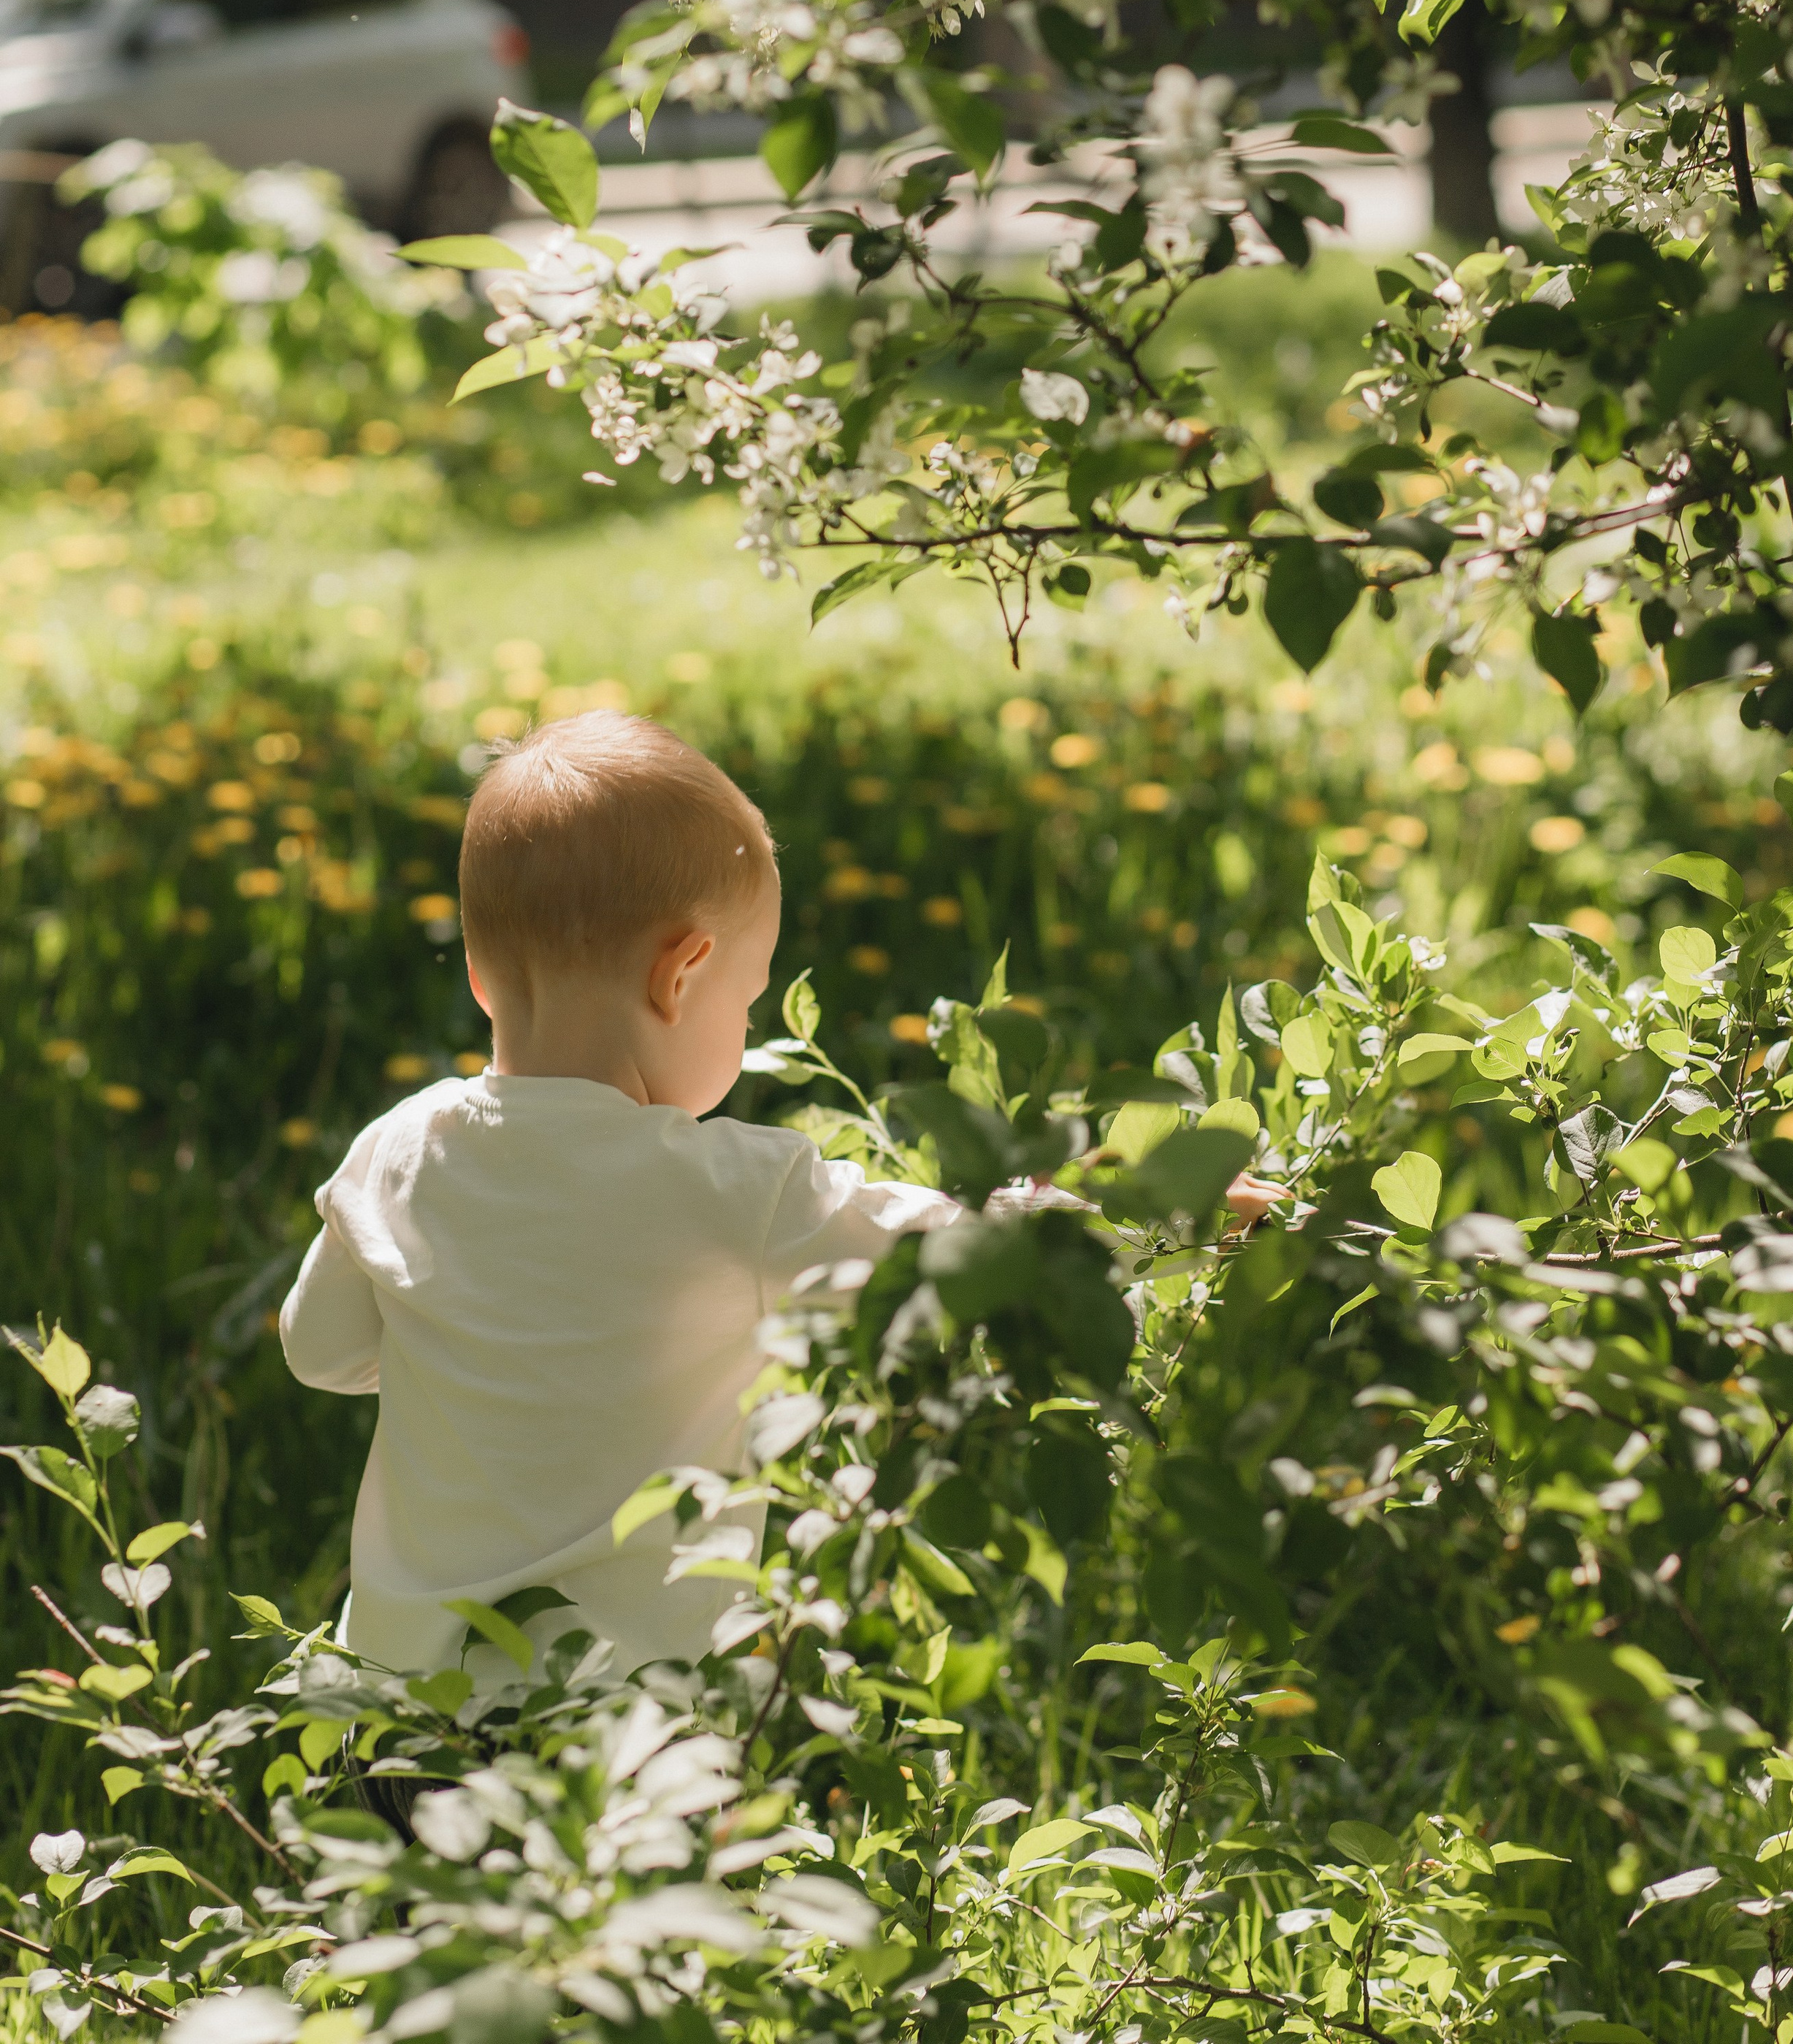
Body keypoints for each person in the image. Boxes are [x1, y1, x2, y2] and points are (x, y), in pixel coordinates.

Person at [279, 708, 1280, 1695]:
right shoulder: (738, 1195)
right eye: (750, 998)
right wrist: (1159, 1207)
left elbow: (318, 1352)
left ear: (480, 977)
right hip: (622, 1734)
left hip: (402, 1710)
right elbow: (966, 1250)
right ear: (683, 977)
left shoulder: (400, 1152)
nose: (751, 1019)